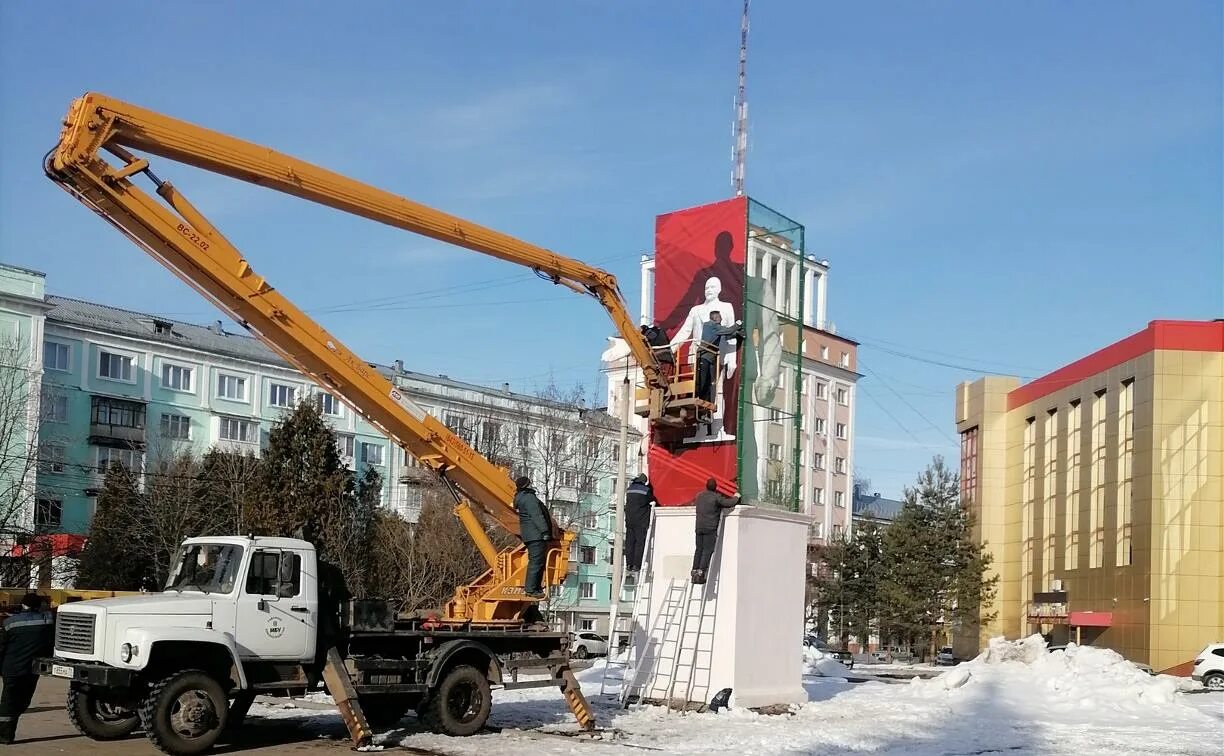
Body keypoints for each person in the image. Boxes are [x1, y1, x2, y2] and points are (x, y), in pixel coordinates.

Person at [0, 593, 53, 744]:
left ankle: (5, 736)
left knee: (8, 702)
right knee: (23, 701)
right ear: (38, 606)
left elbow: (1, 647)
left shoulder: (9, 623)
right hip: (32, 670)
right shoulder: (46, 620)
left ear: (22, 605)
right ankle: (7, 728)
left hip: (11, 669)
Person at [691, 478, 741, 585]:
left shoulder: (699, 496)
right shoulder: (715, 497)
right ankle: (700, 573)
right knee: (707, 550)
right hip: (710, 528)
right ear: (715, 487)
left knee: (699, 549)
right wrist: (736, 497)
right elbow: (728, 503)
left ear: (706, 486)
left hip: (699, 527)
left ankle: (694, 570)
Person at [514, 476, 555, 599]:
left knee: (537, 561)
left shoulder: (520, 498)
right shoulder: (529, 498)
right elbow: (537, 516)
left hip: (529, 534)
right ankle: (531, 589)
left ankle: (535, 588)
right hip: (536, 534)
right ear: (527, 485)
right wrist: (545, 531)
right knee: (536, 562)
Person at [695, 311, 744, 405]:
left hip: (709, 358)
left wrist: (737, 335)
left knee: (708, 382)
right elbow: (728, 330)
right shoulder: (710, 325)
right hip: (704, 356)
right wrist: (738, 324)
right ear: (715, 318)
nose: (721, 319)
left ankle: (705, 404)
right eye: (719, 317)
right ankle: (698, 398)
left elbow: (727, 335)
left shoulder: (716, 330)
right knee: (703, 380)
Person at [623, 473, 657, 574]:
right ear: (644, 481)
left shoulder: (630, 489)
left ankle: (629, 564)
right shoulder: (645, 490)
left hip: (629, 520)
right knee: (639, 543)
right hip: (640, 521)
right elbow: (651, 499)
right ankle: (636, 565)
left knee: (630, 543)